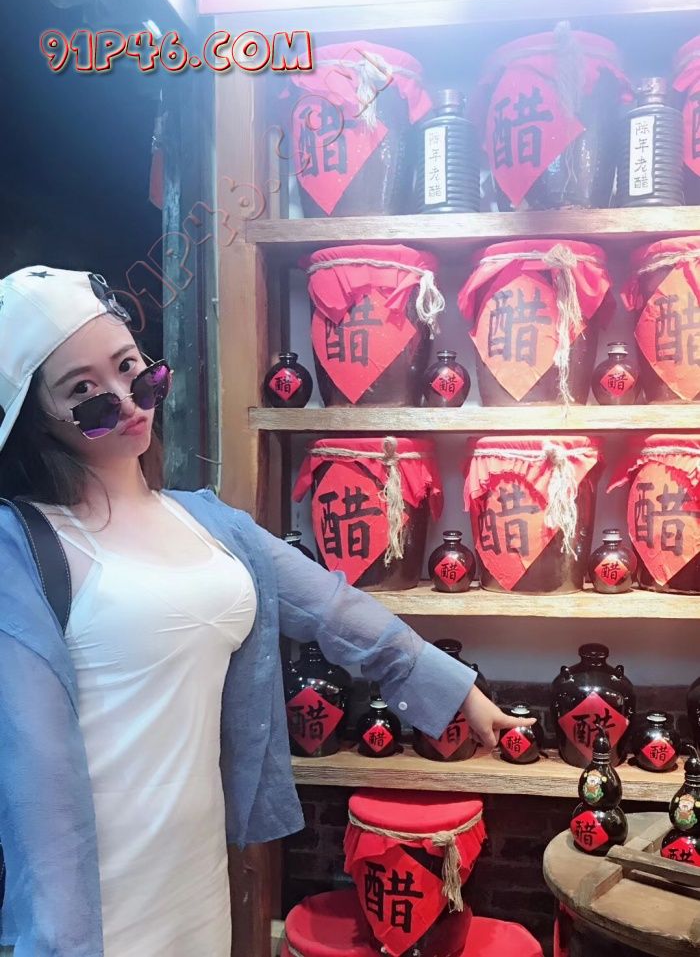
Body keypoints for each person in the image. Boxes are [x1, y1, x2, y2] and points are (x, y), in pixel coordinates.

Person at [0, 266, 534, 957]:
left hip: (195, 871)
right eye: (83, 392)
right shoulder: (23, 547)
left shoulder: (207, 522)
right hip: (92, 892)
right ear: (37, 418)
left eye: (132, 370)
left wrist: (459, 691)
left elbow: (333, 608)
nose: (125, 400)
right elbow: (31, 758)